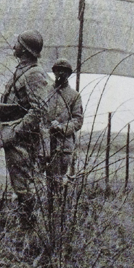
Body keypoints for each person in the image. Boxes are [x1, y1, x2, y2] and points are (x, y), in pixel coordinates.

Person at [0, 30, 49, 225]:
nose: (14, 47)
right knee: (20, 185)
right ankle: (26, 228)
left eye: (17, 43)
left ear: (25, 49)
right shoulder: (23, 70)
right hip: (13, 133)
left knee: (24, 187)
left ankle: (28, 232)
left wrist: (16, 132)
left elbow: (39, 110)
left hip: (21, 139)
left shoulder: (34, 74)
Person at [44, 58, 84, 194]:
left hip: (63, 144)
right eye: (57, 70)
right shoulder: (46, 92)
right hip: (45, 142)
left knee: (58, 181)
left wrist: (61, 127)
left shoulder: (74, 96)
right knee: (42, 180)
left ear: (69, 74)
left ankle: (58, 210)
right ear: (54, 72)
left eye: (64, 71)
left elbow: (78, 120)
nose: (60, 73)